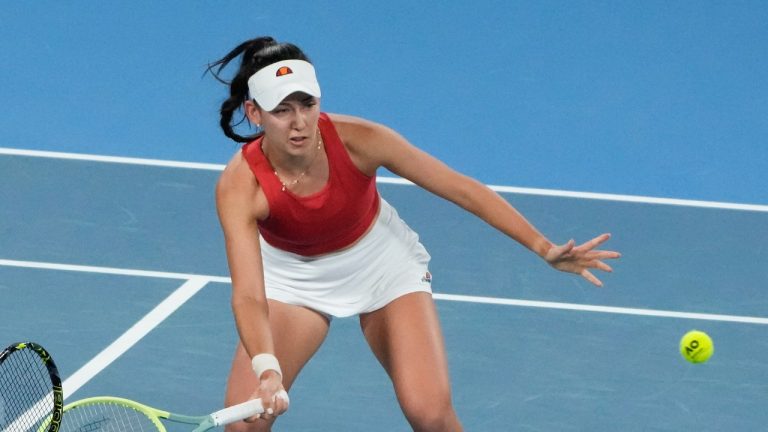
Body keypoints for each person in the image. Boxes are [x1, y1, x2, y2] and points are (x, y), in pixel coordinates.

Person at [208, 36, 620, 432]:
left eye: (307, 104)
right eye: (282, 110)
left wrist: (542, 246)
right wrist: (267, 367)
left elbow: (459, 187)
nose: (299, 123)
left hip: (382, 266)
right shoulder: (240, 186)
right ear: (255, 113)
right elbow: (248, 293)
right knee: (246, 422)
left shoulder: (361, 141)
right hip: (293, 279)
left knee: (430, 416)